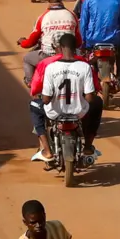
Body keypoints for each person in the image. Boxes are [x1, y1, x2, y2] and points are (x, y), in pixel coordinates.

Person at [29, 32, 102, 162]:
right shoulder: (85, 66)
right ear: (75, 48)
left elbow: (45, 99)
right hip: (79, 112)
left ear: (60, 48)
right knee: (98, 103)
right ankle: (88, 146)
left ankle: (46, 150)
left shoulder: (50, 67)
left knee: (34, 106)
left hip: (55, 113)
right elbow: (90, 98)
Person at [17, 0, 80, 87]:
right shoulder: (72, 16)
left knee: (27, 59)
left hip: (47, 56)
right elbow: (79, 41)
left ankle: (31, 82)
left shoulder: (43, 17)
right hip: (70, 55)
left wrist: (22, 42)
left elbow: (31, 42)